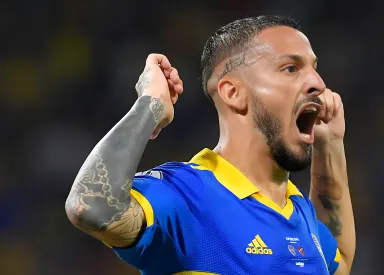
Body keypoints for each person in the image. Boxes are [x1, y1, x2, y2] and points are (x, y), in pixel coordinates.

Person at [65, 15, 355, 275]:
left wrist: (330, 145)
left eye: (315, 70)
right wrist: (150, 106)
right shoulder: (186, 195)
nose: (318, 83)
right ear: (233, 93)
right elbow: (90, 208)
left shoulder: (297, 210)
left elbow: (338, 261)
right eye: (291, 68)